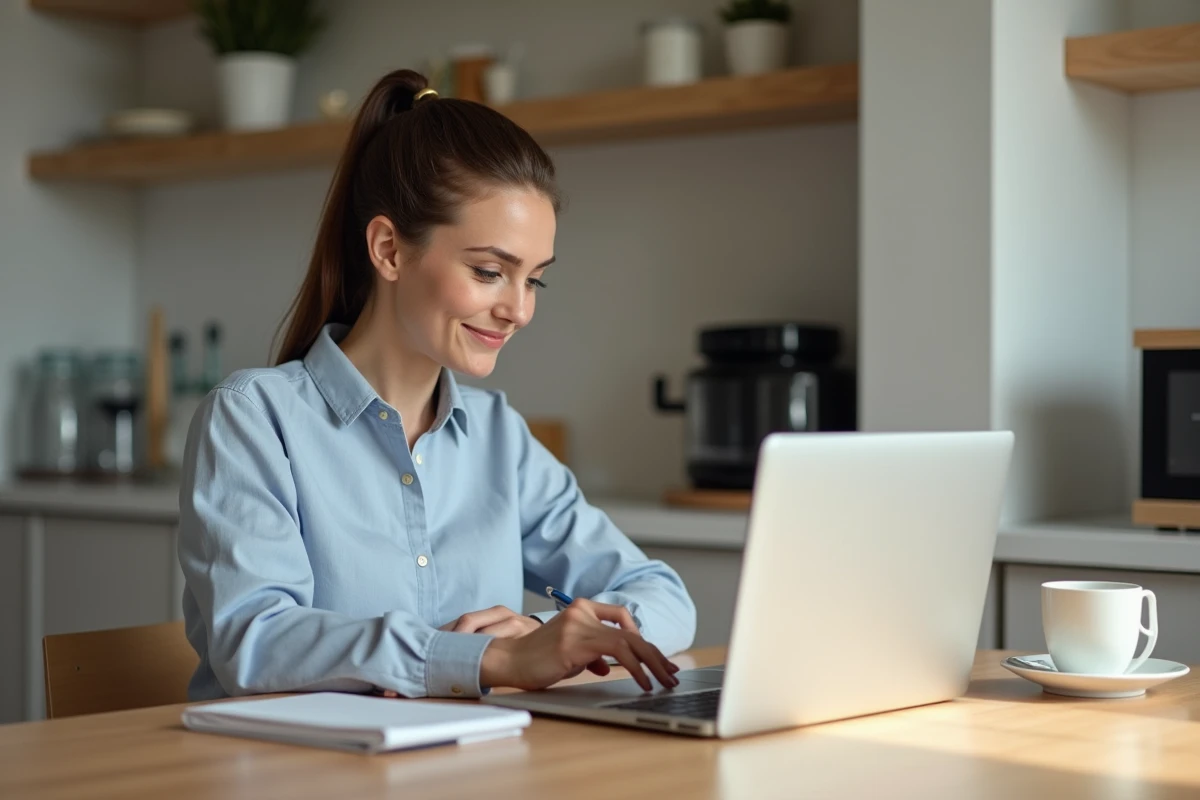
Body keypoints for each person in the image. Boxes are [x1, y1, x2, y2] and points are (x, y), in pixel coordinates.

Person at [177, 69, 696, 702]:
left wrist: (542, 632)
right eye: (488, 271)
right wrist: (484, 660)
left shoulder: (499, 435)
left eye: (533, 280)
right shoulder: (253, 420)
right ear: (390, 250)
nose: (518, 310)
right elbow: (255, 640)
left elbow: (663, 596)